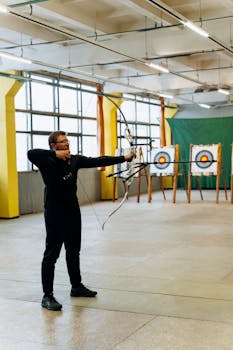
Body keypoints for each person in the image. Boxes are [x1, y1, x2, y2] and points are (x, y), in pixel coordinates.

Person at [27, 130, 135, 311]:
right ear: (54, 146)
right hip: (54, 212)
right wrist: (55, 154)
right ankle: (47, 296)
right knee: (51, 254)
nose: (67, 143)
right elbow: (30, 153)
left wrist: (124, 158)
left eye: (67, 140)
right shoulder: (46, 160)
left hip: (73, 211)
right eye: (62, 141)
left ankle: (76, 286)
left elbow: (99, 160)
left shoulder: (74, 160)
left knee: (73, 250)